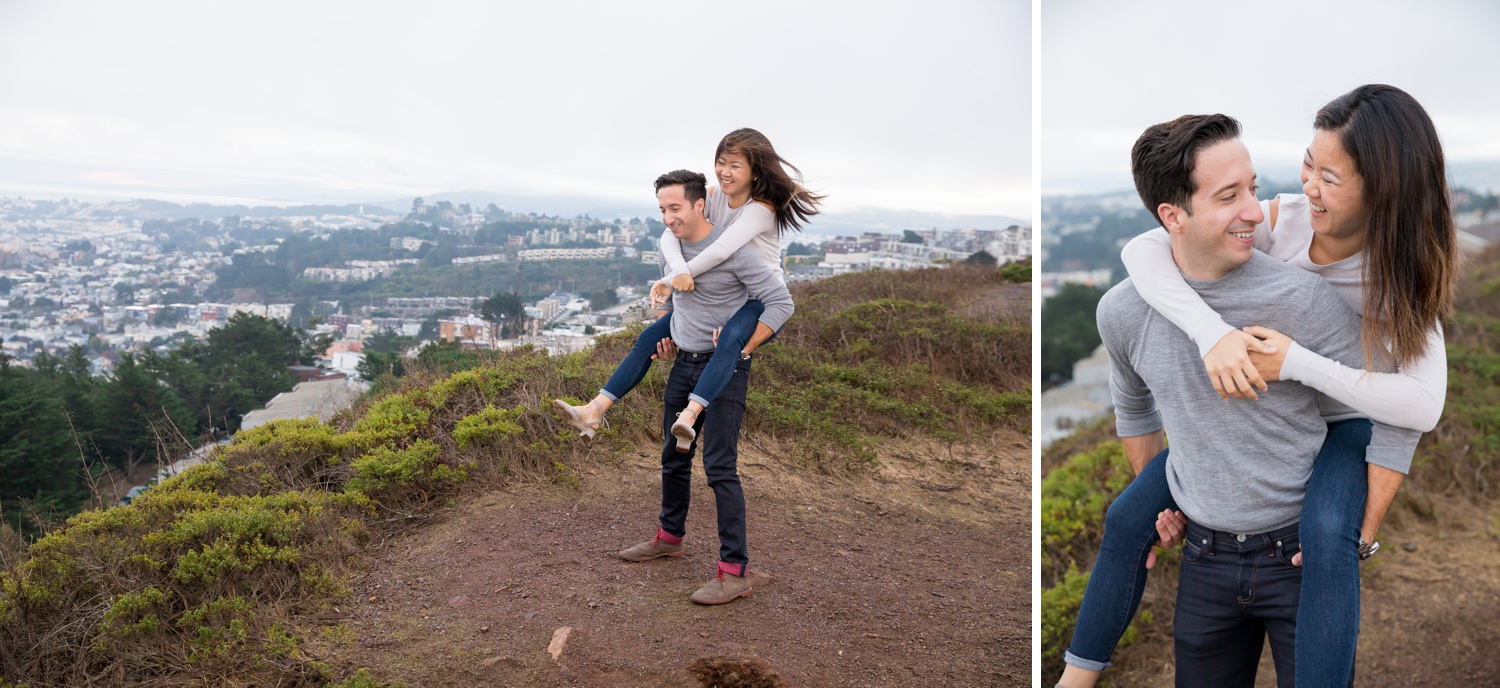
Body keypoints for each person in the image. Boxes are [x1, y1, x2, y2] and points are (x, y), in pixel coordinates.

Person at [1058, 86, 1456, 688]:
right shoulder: (1282, 222)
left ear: (1385, 188)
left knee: (1327, 537)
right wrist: (1208, 331)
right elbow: (1145, 248)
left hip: (1347, 420)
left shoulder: (1401, 277)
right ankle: (1076, 676)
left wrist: (1365, 522)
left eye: (1330, 176)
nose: (1308, 187)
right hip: (1263, 433)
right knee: (1125, 517)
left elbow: (1417, 408)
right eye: (1306, 165)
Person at [553, 128, 822, 447]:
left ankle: (690, 416)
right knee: (649, 338)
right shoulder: (712, 196)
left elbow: (722, 250)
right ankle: (594, 410)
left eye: (735, 165)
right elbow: (672, 231)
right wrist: (676, 272)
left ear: (755, 170)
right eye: (721, 161)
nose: (725, 171)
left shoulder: (760, 209)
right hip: (722, 294)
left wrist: (672, 280)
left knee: (731, 339)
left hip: (757, 299)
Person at [612, 169, 793, 604]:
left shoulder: (736, 250)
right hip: (685, 365)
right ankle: (669, 537)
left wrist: (743, 345)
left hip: (725, 371)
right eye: (662, 209)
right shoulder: (671, 250)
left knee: (719, 469)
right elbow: (679, 302)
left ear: (700, 204)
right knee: (673, 457)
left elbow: (781, 302)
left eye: (675, 207)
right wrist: (668, 335)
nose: (668, 217)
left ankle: (735, 573)